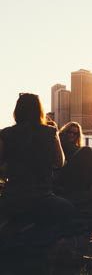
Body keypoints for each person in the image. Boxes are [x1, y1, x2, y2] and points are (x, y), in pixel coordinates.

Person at [0, 93, 74, 229]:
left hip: (13, 198)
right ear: (39, 111)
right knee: (67, 208)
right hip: (42, 197)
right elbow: (60, 162)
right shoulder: (50, 132)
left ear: (17, 111)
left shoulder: (5, 133)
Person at [57, 121, 92, 192]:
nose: (72, 135)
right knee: (87, 150)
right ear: (65, 132)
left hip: (75, 172)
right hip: (64, 172)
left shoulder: (75, 147)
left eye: (75, 133)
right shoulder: (60, 143)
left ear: (78, 135)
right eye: (70, 132)